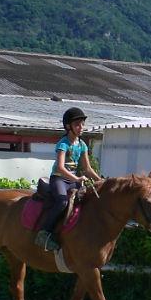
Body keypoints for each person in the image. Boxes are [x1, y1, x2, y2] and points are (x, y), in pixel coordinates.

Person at [35, 106, 102, 251]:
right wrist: (77, 179)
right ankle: (44, 233)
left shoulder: (82, 144)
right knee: (62, 201)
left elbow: (87, 169)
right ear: (68, 126)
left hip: (73, 181)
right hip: (59, 179)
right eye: (77, 124)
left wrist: (100, 180)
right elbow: (60, 167)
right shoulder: (63, 143)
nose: (81, 127)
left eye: (82, 124)